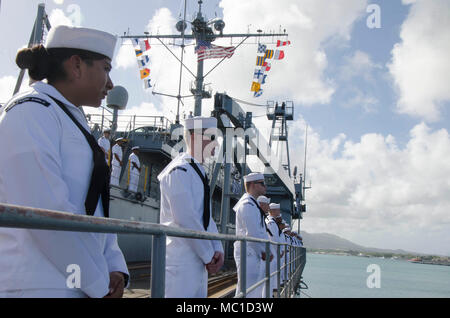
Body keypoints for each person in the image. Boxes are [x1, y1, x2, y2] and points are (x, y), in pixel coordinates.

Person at [0, 25, 129, 298]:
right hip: (39, 286)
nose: (110, 83)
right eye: (106, 68)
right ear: (77, 65)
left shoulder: (69, 119)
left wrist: (114, 266)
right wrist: (97, 282)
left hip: (75, 282)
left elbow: (94, 209)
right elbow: (46, 215)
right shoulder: (31, 113)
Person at [157, 116, 224, 298]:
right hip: (181, 265)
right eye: (211, 138)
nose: (216, 145)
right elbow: (185, 218)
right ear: (194, 137)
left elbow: (205, 217)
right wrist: (209, 255)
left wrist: (218, 248)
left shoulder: (197, 172)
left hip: (197, 263)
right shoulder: (178, 171)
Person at [233, 173, 273, 298]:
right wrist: (264, 251)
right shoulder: (247, 205)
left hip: (252, 253)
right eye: (262, 184)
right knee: (247, 290)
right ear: (252, 185)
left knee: (252, 289)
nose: (265, 187)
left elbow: (258, 232)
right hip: (249, 253)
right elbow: (253, 233)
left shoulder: (252, 204)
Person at [265, 203, 285, 297]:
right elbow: (274, 240)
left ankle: (270, 293)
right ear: (273, 211)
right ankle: (269, 294)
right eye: (277, 210)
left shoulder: (271, 222)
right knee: (270, 273)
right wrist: (279, 251)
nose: (279, 212)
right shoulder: (271, 223)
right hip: (273, 251)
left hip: (274, 252)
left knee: (272, 273)